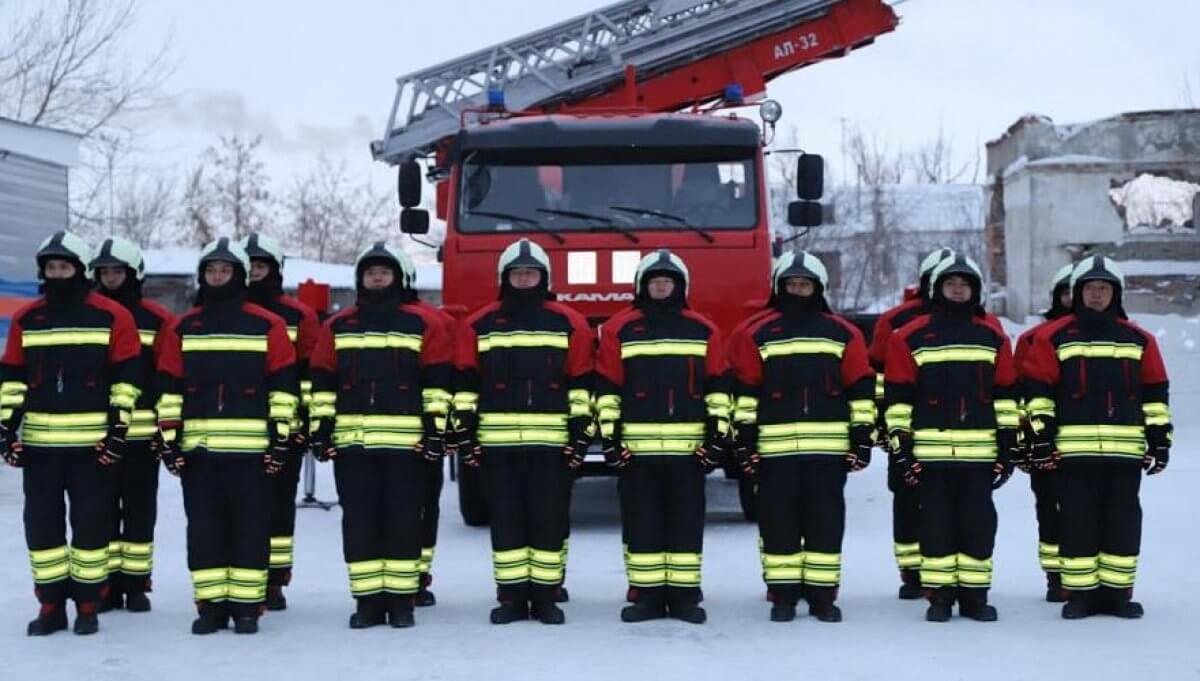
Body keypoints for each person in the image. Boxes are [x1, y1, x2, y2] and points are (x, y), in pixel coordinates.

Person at [154, 238, 298, 635]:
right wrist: (169, 439)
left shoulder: (266, 325)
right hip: (199, 452)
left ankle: (247, 607)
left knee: (251, 529)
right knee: (203, 530)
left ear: (239, 275)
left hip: (252, 452)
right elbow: (168, 387)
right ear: (202, 276)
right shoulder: (184, 326)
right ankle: (210, 606)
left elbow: (283, 387)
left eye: (225, 271)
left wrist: (280, 437)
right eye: (211, 271)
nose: (217, 277)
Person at [0, 231, 141, 636]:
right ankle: (50, 605)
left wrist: (118, 430)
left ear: (79, 270)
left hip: (91, 448)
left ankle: (87, 604)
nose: (56, 273)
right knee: (42, 529)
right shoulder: (28, 318)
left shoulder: (112, 315)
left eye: (64, 267)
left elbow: (126, 379)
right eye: (50, 267)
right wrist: (7, 428)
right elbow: (12, 377)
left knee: (91, 527)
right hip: (41, 449)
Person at [308, 242, 452, 629]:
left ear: (399, 278)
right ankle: (368, 601)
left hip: (407, 446)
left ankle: (402, 601)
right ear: (360, 279)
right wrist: (321, 428)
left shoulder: (424, 324)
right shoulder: (339, 325)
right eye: (370, 272)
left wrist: (436, 432)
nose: (377, 278)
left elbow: (437, 383)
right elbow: (323, 382)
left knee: (404, 522)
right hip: (353, 446)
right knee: (359, 522)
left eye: (384, 273)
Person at [728, 251, 875, 622]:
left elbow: (860, 390)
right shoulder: (756, 332)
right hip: (775, 452)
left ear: (818, 287)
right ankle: (783, 596)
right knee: (779, 524)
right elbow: (745, 392)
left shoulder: (843, 332)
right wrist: (744, 443)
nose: (797, 290)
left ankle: (823, 596)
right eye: (791, 284)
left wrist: (861, 439)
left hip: (828, 452)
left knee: (826, 523)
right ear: (779, 288)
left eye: (804, 284)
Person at [453, 238, 594, 625]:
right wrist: (464, 434)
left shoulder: (569, 321)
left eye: (530, 272)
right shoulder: (479, 324)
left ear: (543, 277)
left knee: (549, 520)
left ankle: (546, 597)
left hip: (552, 445)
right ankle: (511, 598)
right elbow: (466, 382)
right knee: (507, 522)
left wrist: (581, 432)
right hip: (497, 446)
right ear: (505, 278)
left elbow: (581, 381)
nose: (524, 278)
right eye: (517, 273)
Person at [1022, 256, 1171, 620]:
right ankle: (1081, 595)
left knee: (1122, 522)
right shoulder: (1053, 337)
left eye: (1104, 289)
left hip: (1125, 452)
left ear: (1115, 293)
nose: (1097, 295)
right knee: (1077, 521)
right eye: (1090, 289)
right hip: (1073, 453)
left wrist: (1160, 440)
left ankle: (1117, 594)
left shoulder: (1140, 339)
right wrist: (1041, 438)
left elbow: (1155, 394)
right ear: (1078, 293)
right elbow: (1039, 393)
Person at [595, 249, 730, 625]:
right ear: (642, 286)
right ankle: (647, 597)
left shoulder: (704, 329)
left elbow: (718, 388)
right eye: (654, 281)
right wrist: (610, 440)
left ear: (680, 286)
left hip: (689, 453)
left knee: (686, 524)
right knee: (642, 525)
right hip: (637, 454)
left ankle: (686, 598)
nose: (660, 287)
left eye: (667, 281)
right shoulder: (620, 329)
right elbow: (607, 390)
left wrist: (716, 440)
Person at [884, 254, 1019, 622]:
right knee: (936, 526)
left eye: (964, 284)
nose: (957, 290)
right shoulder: (909, 337)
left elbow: (1005, 394)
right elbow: (898, 400)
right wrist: (902, 449)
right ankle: (939, 597)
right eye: (950, 284)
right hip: (930, 455)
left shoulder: (992, 336)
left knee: (978, 526)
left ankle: (975, 597)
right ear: (937, 289)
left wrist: (1009, 446)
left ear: (975, 291)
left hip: (980, 454)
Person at [90, 237, 175, 614]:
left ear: (134, 273)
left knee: (140, 511)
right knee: (101, 509)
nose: (110, 278)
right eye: (104, 271)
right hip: (98, 432)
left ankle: (137, 584)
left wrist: (165, 428)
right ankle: (106, 585)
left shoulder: (157, 320)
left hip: (142, 434)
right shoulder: (88, 315)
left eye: (117, 271)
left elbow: (169, 374)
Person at [868, 246, 954, 599]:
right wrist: (885, 428)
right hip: (905, 427)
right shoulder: (896, 321)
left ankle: (946, 571)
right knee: (906, 500)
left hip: (958, 432)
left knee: (950, 503)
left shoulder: (978, 322)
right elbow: (877, 375)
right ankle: (911, 571)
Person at [241, 233, 321, 611]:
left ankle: (274, 580)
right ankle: (241, 576)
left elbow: (310, 372)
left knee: (278, 507)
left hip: (282, 427)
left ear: (274, 270)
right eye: (251, 266)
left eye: (261, 267)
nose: (255, 273)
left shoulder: (298, 315)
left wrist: (302, 423)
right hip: (234, 429)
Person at [1012, 263, 1074, 602]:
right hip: (1044, 443)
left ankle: (1085, 575)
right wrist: (1025, 442)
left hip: (1087, 442)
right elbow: (1019, 393)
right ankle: (1055, 575)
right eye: (1064, 292)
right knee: (1049, 510)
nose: (1069, 298)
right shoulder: (1033, 339)